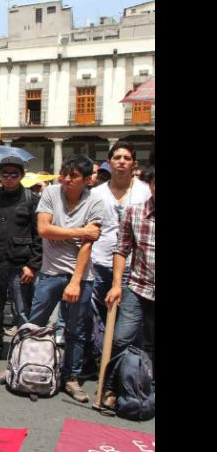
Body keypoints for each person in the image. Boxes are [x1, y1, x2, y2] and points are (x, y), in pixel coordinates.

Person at [26, 154, 104, 402]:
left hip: (81, 276)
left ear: (87, 180)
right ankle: (22, 366)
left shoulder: (95, 202)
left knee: (76, 331)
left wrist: (75, 281)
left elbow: (87, 247)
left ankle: (71, 377)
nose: (67, 179)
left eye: (74, 176)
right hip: (50, 273)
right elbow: (43, 229)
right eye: (64, 174)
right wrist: (80, 231)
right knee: (34, 324)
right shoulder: (51, 193)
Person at [0, 157, 42, 363]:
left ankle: (25, 351)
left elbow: (39, 236)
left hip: (21, 266)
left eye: (14, 174)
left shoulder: (32, 198)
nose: (9, 178)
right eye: (5, 174)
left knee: (22, 311)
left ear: (21, 176)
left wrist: (33, 266)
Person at [89, 141, 150, 367]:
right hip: (99, 262)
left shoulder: (144, 191)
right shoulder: (96, 193)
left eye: (126, 158)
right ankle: (98, 359)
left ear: (134, 163)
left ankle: (125, 367)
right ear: (110, 161)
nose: (122, 162)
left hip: (133, 267)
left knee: (128, 322)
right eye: (117, 158)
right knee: (96, 315)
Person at [100, 166, 155, 409]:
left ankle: (144, 389)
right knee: (121, 339)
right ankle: (112, 386)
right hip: (138, 287)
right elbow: (122, 250)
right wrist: (116, 285)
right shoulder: (135, 212)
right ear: (150, 185)